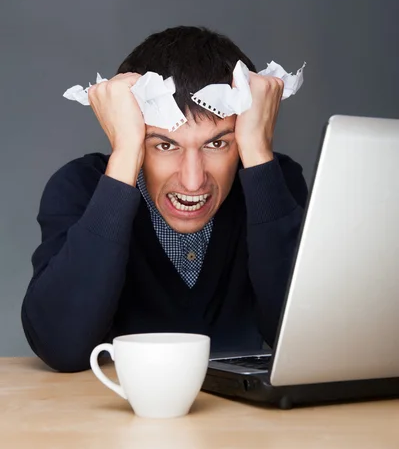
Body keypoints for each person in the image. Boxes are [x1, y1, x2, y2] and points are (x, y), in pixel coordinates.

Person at [21, 26, 308, 372]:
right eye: (164, 145)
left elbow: (304, 342)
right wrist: (125, 154)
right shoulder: (81, 187)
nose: (193, 180)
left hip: (243, 423)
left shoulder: (274, 186)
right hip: (110, 419)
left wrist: (260, 156)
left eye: (217, 144)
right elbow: (60, 345)